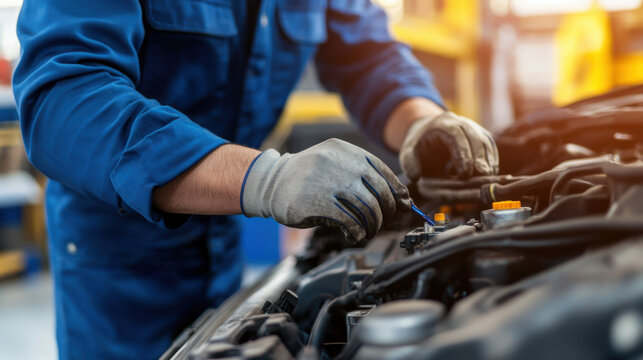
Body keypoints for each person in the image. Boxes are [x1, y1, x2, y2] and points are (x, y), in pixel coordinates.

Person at [13, 0, 498, 359]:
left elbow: (367, 55)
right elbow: (64, 98)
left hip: (222, 242)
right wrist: (265, 178)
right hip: (118, 271)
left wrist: (422, 121)